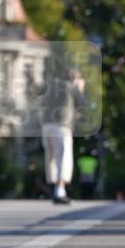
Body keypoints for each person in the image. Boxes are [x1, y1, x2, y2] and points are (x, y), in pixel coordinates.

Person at [40, 65, 86, 204]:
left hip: (46, 126)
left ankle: (55, 188)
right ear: (74, 77)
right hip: (61, 127)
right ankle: (60, 190)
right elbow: (82, 103)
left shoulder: (51, 86)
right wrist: (80, 88)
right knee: (64, 158)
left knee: (51, 158)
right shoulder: (70, 87)